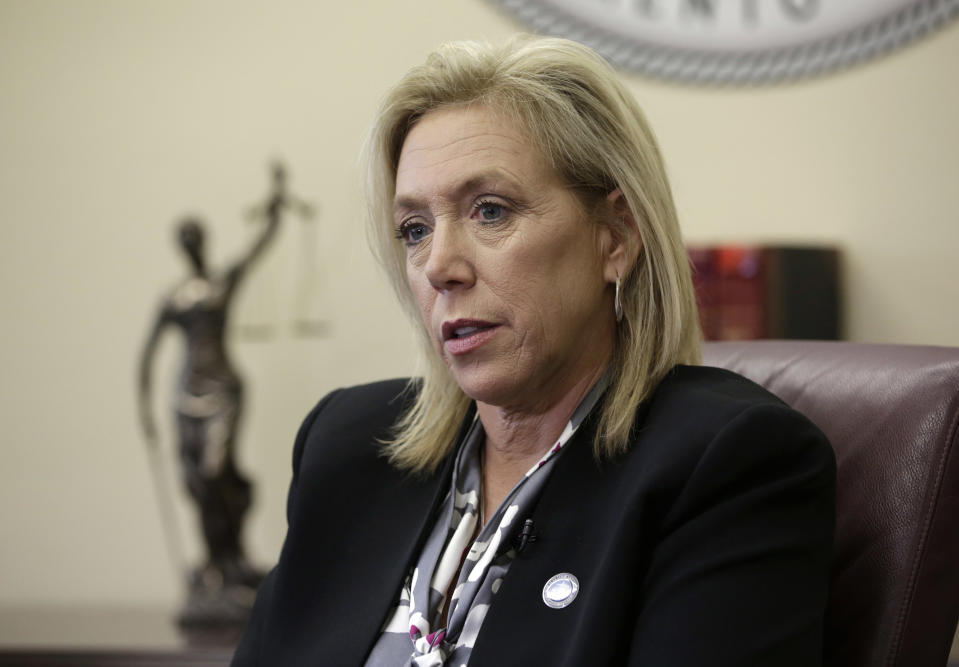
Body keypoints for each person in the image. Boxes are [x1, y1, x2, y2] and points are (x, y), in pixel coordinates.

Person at [232, 36, 835, 666]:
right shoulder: (348, 449)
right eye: (415, 229)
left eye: (490, 211)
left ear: (616, 237)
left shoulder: (728, 466)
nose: (439, 265)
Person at [138, 166, 293, 623]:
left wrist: (276, 206)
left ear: (203, 242)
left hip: (223, 389)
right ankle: (218, 565)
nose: (192, 245)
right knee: (198, 485)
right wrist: (144, 406)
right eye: (184, 239)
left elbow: (259, 246)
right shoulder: (175, 297)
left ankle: (232, 559)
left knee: (215, 472)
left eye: (195, 237)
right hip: (184, 394)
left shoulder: (222, 283)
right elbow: (146, 355)